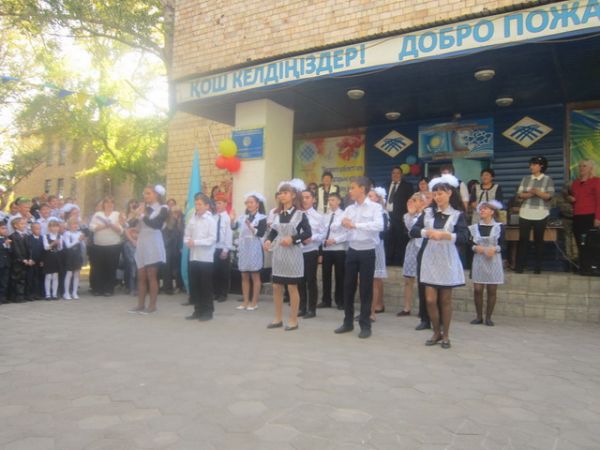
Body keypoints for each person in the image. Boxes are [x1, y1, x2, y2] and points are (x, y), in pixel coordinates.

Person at [409, 174, 468, 349]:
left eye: (441, 193)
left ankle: (446, 335)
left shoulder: (457, 215)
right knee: (430, 300)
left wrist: (446, 235)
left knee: (445, 300)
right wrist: (426, 233)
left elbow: (464, 237)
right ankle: (436, 331)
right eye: (435, 194)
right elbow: (413, 230)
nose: (437, 197)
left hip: (447, 259)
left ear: (449, 193)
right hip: (430, 258)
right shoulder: (428, 212)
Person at [334, 176, 384, 339]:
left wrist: (355, 225)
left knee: (365, 289)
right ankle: (348, 322)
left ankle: (365, 324)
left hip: (368, 251)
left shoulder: (375, 207)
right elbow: (340, 225)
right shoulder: (349, 208)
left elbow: (379, 226)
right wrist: (342, 223)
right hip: (352, 250)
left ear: (362, 189)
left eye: (352, 187)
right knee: (348, 287)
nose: (350, 191)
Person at [263, 180, 312, 331]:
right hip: (279, 254)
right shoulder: (277, 214)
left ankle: (293, 320)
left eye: (285, 193)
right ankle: (278, 318)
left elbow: (308, 233)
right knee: (276, 286)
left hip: (293, 254)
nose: (282, 196)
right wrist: (268, 240)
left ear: (293, 195)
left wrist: (293, 239)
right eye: (280, 193)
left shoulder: (300, 214)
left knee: (292, 286)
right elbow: (274, 231)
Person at [129, 185, 169, 314]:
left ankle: (152, 306)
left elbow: (156, 224)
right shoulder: (143, 208)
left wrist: (141, 215)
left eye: (148, 193)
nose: (145, 196)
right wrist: (132, 218)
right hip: (142, 242)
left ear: (156, 195)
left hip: (153, 242)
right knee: (141, 274)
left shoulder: (163, 208)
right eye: (144, 193)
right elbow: (133, 224)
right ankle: (140, 304)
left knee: (151, 274)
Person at [515, 156, 554, 274]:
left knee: (539, 240)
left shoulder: (548, 179)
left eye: (534, 164)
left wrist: (537, 192)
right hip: (525, 212)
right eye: (531, 164)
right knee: (523, 239)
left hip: (541, 213)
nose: (531, 166)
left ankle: (537, 268)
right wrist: (532, 194)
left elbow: (549, 196)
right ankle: (520, 267)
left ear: (541, 166)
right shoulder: (526, 178)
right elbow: (520, 195)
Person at [469, 200, 505, 326]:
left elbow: (504, 244)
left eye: (485, 208)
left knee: (492, 290)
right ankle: (479, 316)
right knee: (478, 289)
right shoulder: (474, 227)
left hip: (493, 260)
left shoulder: (499, 227)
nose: (482, 210)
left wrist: (495, 249)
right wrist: (476, 248)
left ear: (492, 212)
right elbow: (470, 243)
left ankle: (488, 317)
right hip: (479, 259)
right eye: (481, 209)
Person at [184, 192, 217, 321]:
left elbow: (212, 239)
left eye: (199, 204)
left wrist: (196, 242)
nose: (197, 207)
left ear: (207, 206)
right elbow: (187, 234)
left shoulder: (210, 220)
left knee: (205, 285)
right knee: (195, 284)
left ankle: (208, 311)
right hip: (194, 256)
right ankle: (197, 310)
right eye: (196, 204)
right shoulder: (193, 218)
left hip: (205, 258)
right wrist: (187, 241)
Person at [231, 192, 267, 311]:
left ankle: (254, 302)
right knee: (244, 275)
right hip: (244, 248)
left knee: (255, 275)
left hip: (255, 247)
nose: (249, 204)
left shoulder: (262, 218)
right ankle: (245, 301)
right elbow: (234, 227)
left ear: (257, 204)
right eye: (247, 202)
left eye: (251, 202)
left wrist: (251, 226)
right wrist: (232, 220)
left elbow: (261, 233)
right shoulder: (243, 217)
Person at [568, 159, 600, 270]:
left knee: (591, 243)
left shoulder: (596, 181)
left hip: (590, 216)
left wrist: (598, 218)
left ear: (591, 168)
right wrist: (571, 199)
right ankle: (584, 267)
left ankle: (594, 267)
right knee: (580, 242)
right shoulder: (575, 183)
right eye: (580, 166)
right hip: (578, 216)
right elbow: (575, 199)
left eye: (584, 166)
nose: (581, 168)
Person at [318, 193, 347, 310]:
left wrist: (335, 240)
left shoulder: (344, 215)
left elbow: (347, 233)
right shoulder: (326, 216)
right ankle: (326, 300)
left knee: (340, 275)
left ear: (339, 201)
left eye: (333, 200)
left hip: (339, 249)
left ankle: (340, 300)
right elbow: (322, 231)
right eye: (329, 200)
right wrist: (323, 241)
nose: (330, 202)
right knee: (326, 275)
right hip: (327, 249)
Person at [398, 193, 425, 318]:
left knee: (423, 280)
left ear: (422, 202)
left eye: (415, 200)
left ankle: (423, 309)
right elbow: (411, 231)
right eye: (411, 200)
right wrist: (410, 214)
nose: (412, 203)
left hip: (423, 247)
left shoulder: (427, 215)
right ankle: (407, 307)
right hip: (412, 247)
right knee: (408, 279)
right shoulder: (407, 216)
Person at [89, 196, 122, 296]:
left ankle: (109, 289)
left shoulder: (117, 214)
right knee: (98, 268)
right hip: (98, 245)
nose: (109, 204)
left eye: (111, 202)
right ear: (103, 204)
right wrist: (104, 226)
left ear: (114, 204)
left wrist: (111, 225)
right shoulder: (97, 214)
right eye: (107, 202)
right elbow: (91, 227)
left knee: (111, 267)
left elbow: (121, 230)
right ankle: (98, 289)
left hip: (113, 245)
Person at [299, 189, 324, 319]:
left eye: (307, 197)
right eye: (302, 197)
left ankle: (311, 309)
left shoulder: (318, 216)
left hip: (310, 251)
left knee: (310, 280)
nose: (304, 200)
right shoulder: (297, 214)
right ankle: (302, 307)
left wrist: (312, 238)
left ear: (313, 199)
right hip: (297, 251)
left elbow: (323, 234)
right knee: (300, 280)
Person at [385, 166, 414, 266]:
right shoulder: (386, 185)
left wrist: (407, 216)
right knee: (388, 238)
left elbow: (410, 202)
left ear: (401, 175)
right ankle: (388, 260)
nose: (395, 175)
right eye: (393, 173)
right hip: (388, 216)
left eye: (398, 173)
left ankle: (398, 261)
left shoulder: (407, 186)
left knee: (400, 239)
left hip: (400, 217)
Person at [368, 187, 389, 321]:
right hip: (365, 246)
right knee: (372, 279)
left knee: (375, 279)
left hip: (376, 246)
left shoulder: (382, 213)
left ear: (378, 199)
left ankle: (372, 311)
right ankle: (377, 305)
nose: (368, 199)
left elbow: (382, 231)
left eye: (371, 196)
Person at [213, 193, 233, 302]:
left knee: (223, 272)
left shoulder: (227, 218)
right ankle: (215, 292)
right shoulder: (213, 217)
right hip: (214, 248)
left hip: (223, 248)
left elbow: (228, 234)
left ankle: (223, 293)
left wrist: (226, 250)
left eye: (220, 203)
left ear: (225, 204)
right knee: (214, 271)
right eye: (216, 203)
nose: (217, 205)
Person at [9, 217, 33, 302]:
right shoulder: (13, 236)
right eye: (22, 224)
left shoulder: (26, 236)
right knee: (18, 279)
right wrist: (22, 259)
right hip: (18, 261)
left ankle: (25, 295)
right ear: (15, 225)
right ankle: (18, 296)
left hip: (26, 261)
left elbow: (29, 248)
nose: (24, 225)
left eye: (24, 224)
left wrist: (30, 258)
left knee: (26, 278)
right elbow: (16, 250)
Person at [62, 217, 85, 300]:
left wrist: (82, 240)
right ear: (69, 225)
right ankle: (66, 292)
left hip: (77, 255)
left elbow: (82, 245)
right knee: (69, 274)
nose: (75, 225)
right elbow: (68, 245)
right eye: (73, 224)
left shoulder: (80, 233)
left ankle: (74, 292)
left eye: (76, 224)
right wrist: (78, 240)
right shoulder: (67, 233)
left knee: (76, 274)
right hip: (70, 255)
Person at [43, 218, 63, 300]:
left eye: (56, 226)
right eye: (52, 226)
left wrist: (59, 244)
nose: (54, 228)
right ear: (49, 228)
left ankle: (54, 294)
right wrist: (53, 243)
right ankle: (47, 294)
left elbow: (61, 248)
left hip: (56, 256)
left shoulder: (60, 236)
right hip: (49, 257)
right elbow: (45, 247)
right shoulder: (46, 236)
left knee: (55, 276)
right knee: (48, 276)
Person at [27, 222, 45, 300]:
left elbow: (44, 250)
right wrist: (30, 259)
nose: (38, 230)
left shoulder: (42, 238)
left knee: (39, 278)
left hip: (39, 262)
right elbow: (28, 249)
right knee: (31, 278)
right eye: (36, 229)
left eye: (39, 228)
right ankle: (30, 294)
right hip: (32, 261)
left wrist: (42, 260)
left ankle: (38, 293)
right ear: (32, 229)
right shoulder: (29, 238)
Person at [0, 223, 10, 305]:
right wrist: (4, 244)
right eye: (2, 228)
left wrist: (8, 246)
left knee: (4, 281)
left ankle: (3, 297)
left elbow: (10, 251)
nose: (5, 230)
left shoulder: (6, 238)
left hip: (6, 263)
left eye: (5, 228)